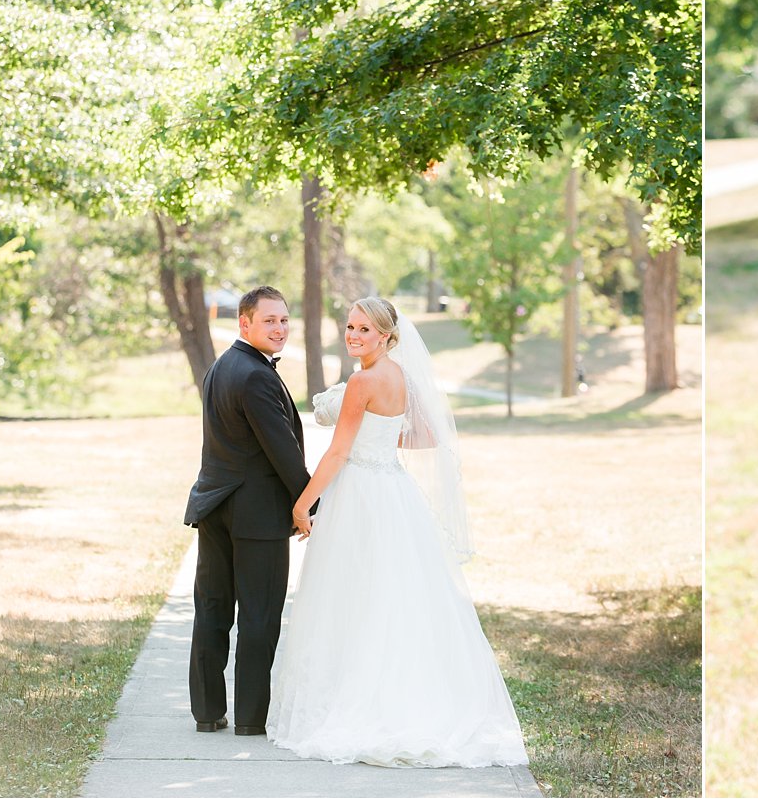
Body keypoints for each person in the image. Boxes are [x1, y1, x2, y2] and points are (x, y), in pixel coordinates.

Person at [267, 296, 527, 768]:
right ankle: (402, 693)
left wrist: (303, 504)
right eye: (350, 327)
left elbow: (337, 453)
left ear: (386, 336)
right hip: (394, 492)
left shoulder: (364, 381)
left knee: (354, 595)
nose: (354, 336)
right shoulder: (400, 378)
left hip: (361, 494)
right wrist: (382, 438)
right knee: (391, 595)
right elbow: (427, 435)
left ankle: (364, 699)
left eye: (365, 330)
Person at [185, 285, 311, 736]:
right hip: (254, 514)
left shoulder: (221, 367)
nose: (279, 328)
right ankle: (251, 719)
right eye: (269, 320)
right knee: (259, 614)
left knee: (213, 608)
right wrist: (310, 505)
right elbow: (283, 452)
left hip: (214, 504)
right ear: (245, 323)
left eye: (283, 319)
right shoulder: (257, 375)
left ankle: (207, 711)